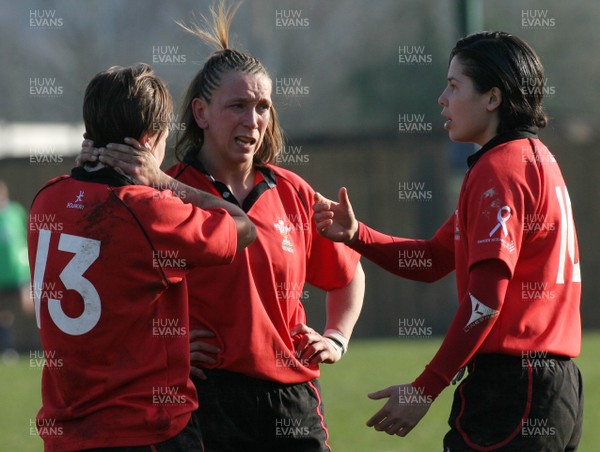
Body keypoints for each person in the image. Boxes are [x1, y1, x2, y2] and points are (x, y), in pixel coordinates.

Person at [82, 2, 365, 451]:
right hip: (204, 396)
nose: (252, 120)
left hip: (290, 400)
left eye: (262, 107)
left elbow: (349, 274)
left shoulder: (293, 191)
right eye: (237, 105)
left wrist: (336, 338)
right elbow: (112, 297)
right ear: (201, 113)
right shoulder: (165, 192)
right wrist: (165, 347)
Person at [314, 31, 583, 451]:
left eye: (454, 85)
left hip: (513, 392)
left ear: (493, 98)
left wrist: (424, 389)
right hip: (553, 391)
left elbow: (485, 301)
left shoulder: (501, 169)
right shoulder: (533, 159)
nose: (442, 98)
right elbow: (434, 259)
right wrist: (356, 235)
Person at [29, 63, 256, 451]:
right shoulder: (150, 211)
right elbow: (243, 226)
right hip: (145, 431)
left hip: (66, 433)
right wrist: (163, 180)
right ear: (150, 140)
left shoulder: (47, 198)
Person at [0, 180, 31, 358]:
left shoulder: (15, 211)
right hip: (1, 273)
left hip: (19, 271)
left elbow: (27, 234)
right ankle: (9, 349)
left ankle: (46, 345)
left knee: (30, 307)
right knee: (4, 313)